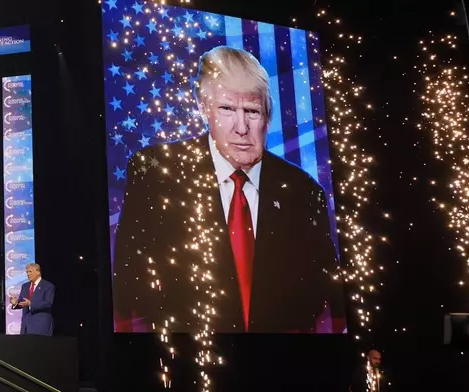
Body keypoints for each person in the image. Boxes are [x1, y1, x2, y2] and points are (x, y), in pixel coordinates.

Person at [113, 45, 345, 333]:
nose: (241, 127)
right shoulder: (154, 172)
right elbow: (129, 281)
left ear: (268, 115)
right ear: (203, 107)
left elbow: (324, 295)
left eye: (252, 111)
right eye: (226, 109)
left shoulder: (304, 192)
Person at [9, 263, 55, 336]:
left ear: (38, 272)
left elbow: (48, 303)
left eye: (30, 271)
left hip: (40, 325)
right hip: (26, 325)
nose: (28, 274)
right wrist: (15, 303)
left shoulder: (48, 286)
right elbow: (23, 302)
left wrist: (31, 304)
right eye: (27, 272)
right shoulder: (25, 286)